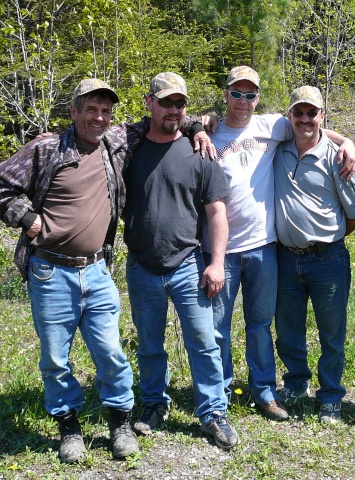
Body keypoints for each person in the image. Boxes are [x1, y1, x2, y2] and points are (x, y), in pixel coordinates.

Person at [0, 79, 142, 463]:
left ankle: (120, 422)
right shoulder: (47, 148)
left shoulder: (113, 143)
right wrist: (25, 217)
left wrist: (196, 125)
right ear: (73, 111)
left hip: (97, 272)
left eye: (105, 110)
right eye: (91, 108)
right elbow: (0, 183)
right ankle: (68, 427)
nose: (99, 117)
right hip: (50, 273)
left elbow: (157, 121)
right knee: (56, 358)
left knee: (111, 353)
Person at [203, 66, 355, 422]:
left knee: (261, 325)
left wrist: (345, 141)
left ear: (259, 98)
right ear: (225, 93)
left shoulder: (270, 126)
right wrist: (199, 124)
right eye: (237, 93)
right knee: (218, 327)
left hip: (264, 248)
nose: (243, 101)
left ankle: (264, 391)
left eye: (251, 94)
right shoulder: (208, 136)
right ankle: (221, 393)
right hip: (222, 250)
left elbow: (315, 129)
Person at [123, 72, 238, 450]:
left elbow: (217, 212)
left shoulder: (199, 152)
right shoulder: (128, 149)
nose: (173, 109)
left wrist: (217, 262)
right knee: (150, 344)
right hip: (142, 266)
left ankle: (213, 413)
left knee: (204, 342)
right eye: (166, 102)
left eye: (180, 104)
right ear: (149, 102)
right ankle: (154, 404)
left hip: (188, 264)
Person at [273, 86, 355, 424]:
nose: (305, 119)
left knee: (331, 332)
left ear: (321, 116)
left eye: (311, 113)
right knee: (287, 328)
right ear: (290, 117)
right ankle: (296, 384)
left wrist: (328, 237)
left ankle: (330, 396)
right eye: (298, 113)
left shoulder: (339, 158)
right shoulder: (278, 149)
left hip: (327, 259)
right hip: (284, 258)